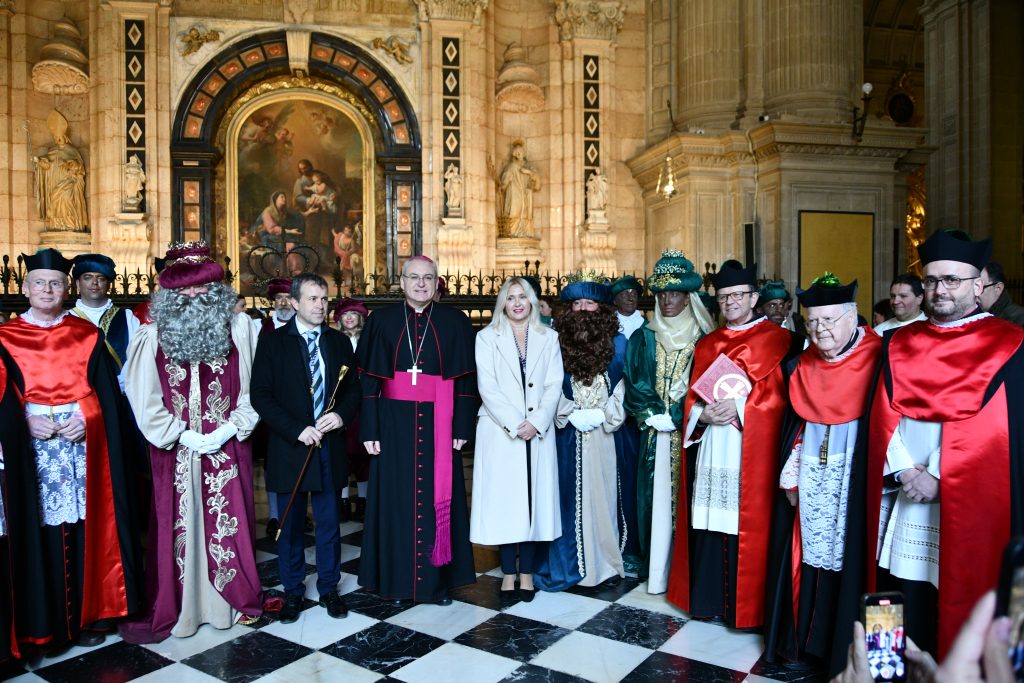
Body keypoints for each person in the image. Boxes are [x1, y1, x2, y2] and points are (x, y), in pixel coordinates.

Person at [856, 229, 1024, 658]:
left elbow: (998, 430)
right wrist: (903, 470)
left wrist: (937, 474)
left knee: (953, 590)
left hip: (963, 495)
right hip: (901, 489)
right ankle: (885, 668)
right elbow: (880, 415)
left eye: (952, 280)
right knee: (892, 586)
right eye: (931, 280)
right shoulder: (898, 342)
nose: (939, 290)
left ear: (978, 285)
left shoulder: (1009, 344)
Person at [120, 242, 262, 643]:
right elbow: (144, 398)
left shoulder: (240, 329)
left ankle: (228, 603)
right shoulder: (151, 336)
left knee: (228, 521)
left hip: (227, 445)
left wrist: (229, 429)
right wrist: (180, 434)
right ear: (169, 292)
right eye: (185, 288)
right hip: (176, 451)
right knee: (178, 522)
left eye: (203, 287)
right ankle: (183, 606)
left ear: (217, 290)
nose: (195, 295)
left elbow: (255, 387)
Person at [0, 248, 141, 651]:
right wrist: (24, 422)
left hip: (80, 449)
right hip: (32, 452)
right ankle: (41, 624)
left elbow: (108, 398)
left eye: (56, 283)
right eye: (40, 283)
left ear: (67, 289)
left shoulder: (87, 335)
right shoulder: (5, 338)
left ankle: (90, 614)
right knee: (36, 530)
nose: (47, 290)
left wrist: (89, 419)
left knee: (84, 528)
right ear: (25, 289)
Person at [666, 259, 802, 628]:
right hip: (713, 445)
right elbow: (692, 398)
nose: (730, 302)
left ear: (754, 298)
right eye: (724, 297)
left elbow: (786, 401)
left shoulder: (780, 340)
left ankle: (745, 609)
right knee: (711, 522)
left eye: (738, 295)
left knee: (746, 523)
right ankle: (709, 600)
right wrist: (701, 415)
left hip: (751, 448)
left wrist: (741, 406)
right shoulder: (708, 344)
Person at [764, 273, 881, 675]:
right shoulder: (801, 363)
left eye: (829, 320)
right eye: (812, 321)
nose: (819, 330)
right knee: (807, 555)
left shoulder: (879, 358)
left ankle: (844, 651)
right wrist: (792, 474)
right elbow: (795, 424)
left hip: (855, 478)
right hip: (813, 477)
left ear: (852, 316)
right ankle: (807, 642)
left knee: (852, 556)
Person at [357, 255, 478, 604]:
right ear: (402, 281)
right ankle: (396, 583)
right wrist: (370, 429)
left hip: (441, 419)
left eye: (428, 277)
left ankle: (437, 585)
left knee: (439, 498)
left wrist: (462, 424)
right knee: (395, 502)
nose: (421, 284)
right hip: (392, 424)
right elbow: (368, 382)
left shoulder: (455, 321)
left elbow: (467, 380)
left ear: (436, 282)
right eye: (414, 277)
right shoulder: (382, 320)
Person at [251, 273, 360, 623]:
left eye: (324, 299)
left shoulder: (338, 342)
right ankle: (293, 590)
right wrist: (297, 429)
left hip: (329, 446)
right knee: (291, 525)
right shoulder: (273, 342)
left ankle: (329, 588)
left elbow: (354, 390)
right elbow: (260, 396)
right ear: (295, 302)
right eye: (313, 299)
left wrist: (340, 416)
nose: (320, 305)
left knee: (329, 523)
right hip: (290, 447)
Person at [624, 250, 714, 593]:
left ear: (688, 297)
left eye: (674, 294)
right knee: (652, 498)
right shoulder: (644, 337)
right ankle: (657, 567)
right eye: (662, 294)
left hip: (691, 434)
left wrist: (677, 415)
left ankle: (684, 571)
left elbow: (709, 384)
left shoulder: (705, 339)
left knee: (689, 498)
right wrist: (652, 414)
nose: (667, 301)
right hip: (653, 434)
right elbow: (635, 382)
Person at [471, 277, 563, 604]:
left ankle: (528, 574)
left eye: (523, 297)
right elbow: (488, 386)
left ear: (532, 301)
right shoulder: (486, 337)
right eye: (511, 298)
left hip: (537, 431)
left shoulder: (549, 337)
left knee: (533, 502)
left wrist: (536, 422)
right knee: (507, 503)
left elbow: (554, 384)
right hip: (500, 430)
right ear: (503, 304)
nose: (517, 303)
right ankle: (509, 572)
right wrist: (515, 423)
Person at [535, 275, 627, 591]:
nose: (583, 309)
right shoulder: (554, 342)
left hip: (605, 434)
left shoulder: (619, 344)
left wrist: (603, 413)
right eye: (577, 303)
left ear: (602, 308)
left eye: (590, 303)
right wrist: (568, 413)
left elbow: (625, 386)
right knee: (564, 498)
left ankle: (604, 564)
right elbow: (546, 386)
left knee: (603, 497)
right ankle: (569, 565)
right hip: (565, 435)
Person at [69, 253, 141, 386]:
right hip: (78, 392)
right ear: (78, 284)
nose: (94, 282)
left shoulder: (127, 317)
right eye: (87, 277)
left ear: (108, 284)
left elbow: (137, 358)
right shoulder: (67, 318)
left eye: (101, 278)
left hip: (121, 391)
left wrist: (116, 386)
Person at [333, 297, 370, 522]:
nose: (349, 318)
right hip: (341, 400)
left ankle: (363, 500)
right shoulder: (333, 339)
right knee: (343, 452)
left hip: (364, 401)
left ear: (360, 317)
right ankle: (344, 500)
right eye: (345, 314)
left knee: (363, 451)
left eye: (353, 314)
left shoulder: (368, 339)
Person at [499, 140, 541, 238]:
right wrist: (502, 186)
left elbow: (536, 180)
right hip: (515, 195)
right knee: (514, 213)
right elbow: (504, 182)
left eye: (521, 152)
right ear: (514, 154)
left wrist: (528, 172)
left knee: (525, 215)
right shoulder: (511, 167)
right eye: (517, 152)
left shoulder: (528, 167)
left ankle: (525, 232)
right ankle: (512, 233)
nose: (519, 154)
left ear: (524, 153)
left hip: (526, 195)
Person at [980, 261, 1024, 325]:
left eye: (980, 287)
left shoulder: (1018, 319)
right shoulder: (975, 317)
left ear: (998, 288)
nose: (975, 293)